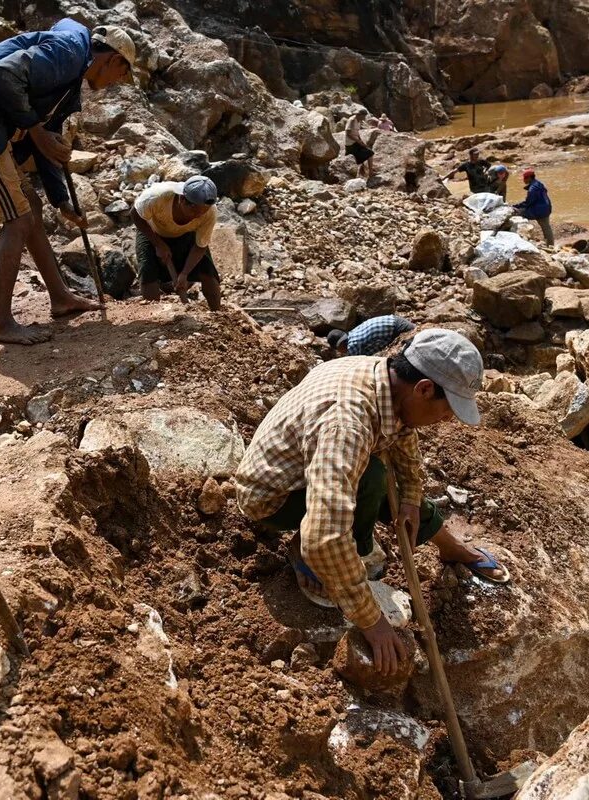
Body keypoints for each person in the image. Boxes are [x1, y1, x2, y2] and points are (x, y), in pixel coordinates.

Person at [235, 330, 510, 676]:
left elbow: (403, 436)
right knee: (372, 478)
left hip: (309, 467)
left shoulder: (388, 381)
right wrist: (371, 620)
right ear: (424, 388)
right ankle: (316, 566)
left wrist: (410, 498)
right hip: (274, 497)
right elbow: (324, 537)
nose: (447, 420)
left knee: (382, 480)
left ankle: (451, 547)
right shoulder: (346, 423)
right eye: (447, 410)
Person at [0, 20, 136, 344]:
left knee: (30, 205)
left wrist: (62, 201)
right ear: (114, 60)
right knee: (18, 218)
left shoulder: (70, 78)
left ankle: (60, 298)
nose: (119, 82)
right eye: (123, 74)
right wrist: (35, 131)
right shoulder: (71, 51)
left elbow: (50, 142)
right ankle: (0, 323)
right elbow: (4, 74)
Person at [132, 175, 222, 310]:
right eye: (194, 211)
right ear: (182, 199)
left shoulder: (209, 213)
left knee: (208, 273)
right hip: (153, 232)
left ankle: (218, 315)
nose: (198, 216)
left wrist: (185, 274)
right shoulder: (157, 197)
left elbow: (200, 246)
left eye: (202, 212)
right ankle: (154, 319)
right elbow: (135, 215)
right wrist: (158, 244)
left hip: (186, 234)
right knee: (148, 272)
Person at [326, 314, 416, 357]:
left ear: (340, 346)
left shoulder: (352, 346)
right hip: (397, 321)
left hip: (399, 329)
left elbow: (353, 364)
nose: (341, 352)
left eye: (338, 350)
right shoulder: (354, 333)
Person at [514, 168, 553, 246]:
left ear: (529, 178)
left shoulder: (532, 189)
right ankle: (550, 244)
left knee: (517, 213)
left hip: (539, 210)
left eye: (524, 178)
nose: (523, 180)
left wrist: (516, 206)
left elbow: (528, 202)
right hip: (546, 208)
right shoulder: (539, 184)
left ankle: (522, 237)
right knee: (546, 227)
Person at [345, 110, 380, 179]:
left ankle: (370, 172)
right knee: (367, 155)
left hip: (356, 142)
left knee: (369, 153)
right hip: (351, 144)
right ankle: (369, 173)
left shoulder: (359, 121)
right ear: (360, 115)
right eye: (363, 116)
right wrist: (358, 141)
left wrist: (361, 142)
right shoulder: (352, 120)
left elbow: (357, 133)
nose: (364, 117)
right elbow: (348, 133)